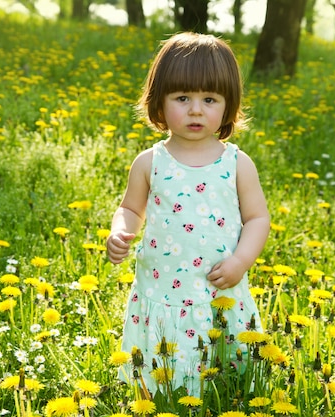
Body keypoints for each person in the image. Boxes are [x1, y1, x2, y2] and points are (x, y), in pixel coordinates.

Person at [106, 32, 270, 397]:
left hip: (218, 285)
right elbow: (131, 208)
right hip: (162, 286)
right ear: (159, 103)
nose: (196, 109)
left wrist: (241, 261)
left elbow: (258, 218)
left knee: (225, 367)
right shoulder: (150, 162)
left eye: (209, 99)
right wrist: (121, 232)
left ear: (227, 106)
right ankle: (164, 392)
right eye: (182, 98)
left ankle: (226, 389)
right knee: (162, 376)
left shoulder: (237, 163)